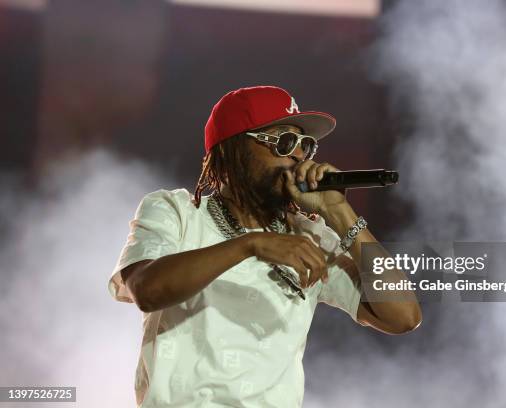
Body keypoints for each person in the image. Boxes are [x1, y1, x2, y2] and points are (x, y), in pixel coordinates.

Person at [108, 85, 421, 408]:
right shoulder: (176, 212)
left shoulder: (310, 234)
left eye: (306, 146)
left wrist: (339, 212)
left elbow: (403, 316)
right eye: (284, 142)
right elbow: (146, 289)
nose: (298, 156)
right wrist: (252, 244)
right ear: (232, 151)